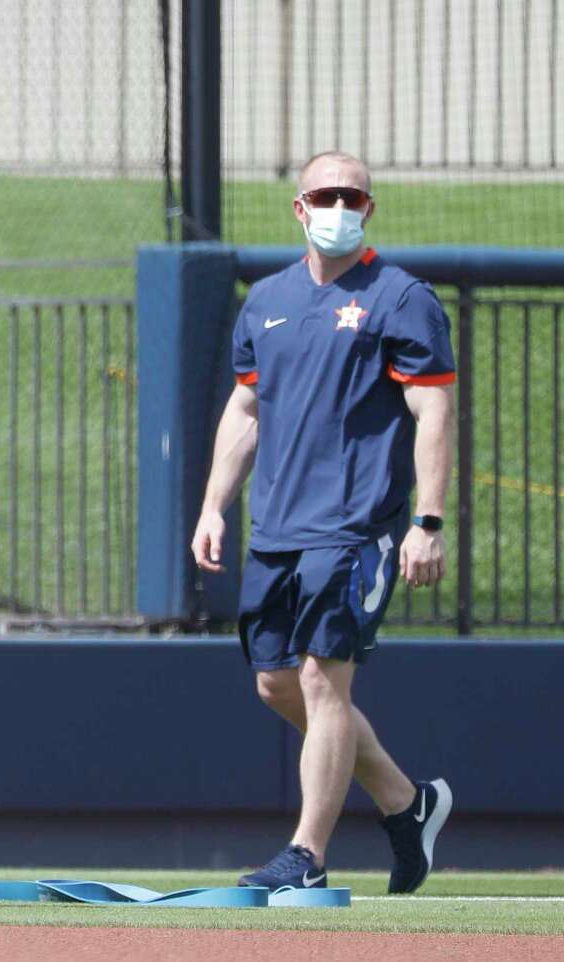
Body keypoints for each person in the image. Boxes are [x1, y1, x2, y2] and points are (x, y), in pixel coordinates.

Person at [190, 150, 456, 893]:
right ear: (300, 208)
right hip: (276, 527)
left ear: (369, 209)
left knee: (321, 680)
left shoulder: (401, 298)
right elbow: (245, 411)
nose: (339, 205)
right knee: (276, 685)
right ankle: (409, 804)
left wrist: (426, 521)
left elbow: (432, 407)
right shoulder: (267, 299)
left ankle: (305, 855)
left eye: (353, 196)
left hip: (354, 526)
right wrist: (214, 504)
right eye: (324, 194)